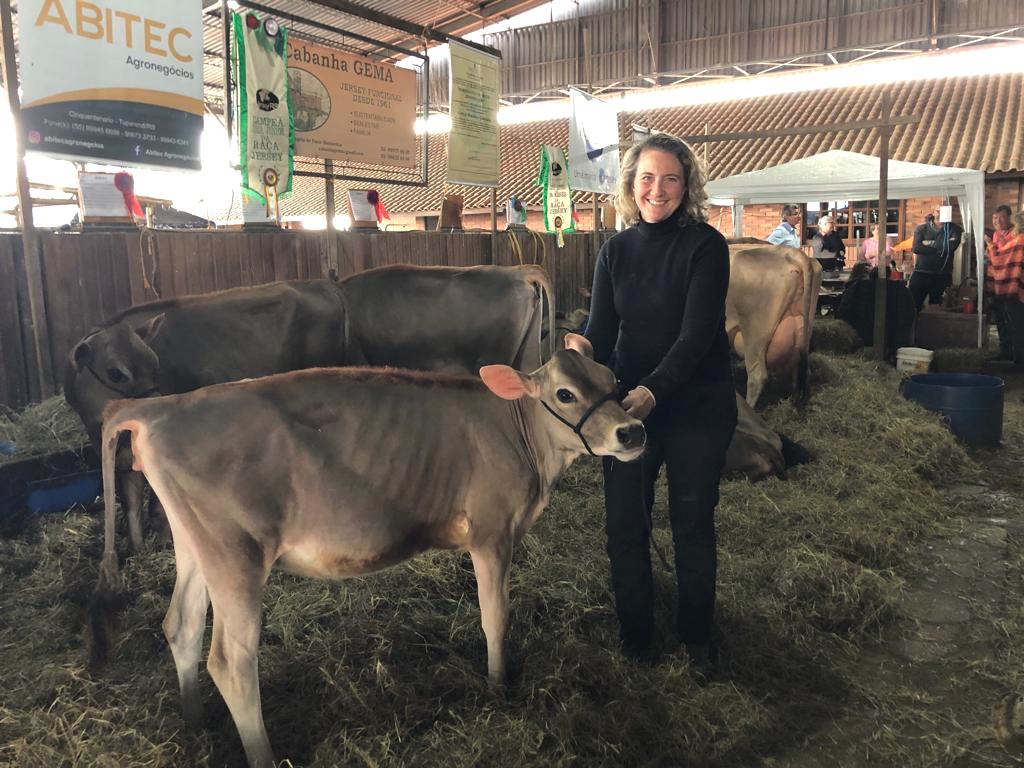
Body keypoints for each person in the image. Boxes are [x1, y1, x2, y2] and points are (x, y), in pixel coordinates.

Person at [584, 133, 738, 675]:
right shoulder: (615, 250)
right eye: (647, 178)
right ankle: (636, 638)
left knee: (691, 518)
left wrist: (653, 389)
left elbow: (697, 336)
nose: (657, 189)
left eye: (670, 178)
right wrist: (573, 356)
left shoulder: (705, 245)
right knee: (625, 522)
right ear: (631, 185)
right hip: (629, 411)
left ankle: (697, 638)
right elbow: (599, 333)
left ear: (687, 186)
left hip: (697, 403)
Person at [985, 209, 1024, 370]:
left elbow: (1001, 258)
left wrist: (990, 245)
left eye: (1000, 217)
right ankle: (1011, 355)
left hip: (1013, 289)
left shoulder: (1019, 239)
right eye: (994, 217)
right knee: (1011, 323)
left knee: (1017, 325)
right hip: (1011, 288)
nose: (997, 221)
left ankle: (1019, 362)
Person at [909, 210, 963, 312]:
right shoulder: (922, 229)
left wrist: (927, 243)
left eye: (944, 209)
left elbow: (950, 247)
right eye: (938, 210)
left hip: (942, 275)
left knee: (938, 310)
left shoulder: (955, 229)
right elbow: (916, 248)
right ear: (934, 212)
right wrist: (940, 247)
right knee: (912, 307)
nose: (941, 212)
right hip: (921, 273)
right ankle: (914, 327)